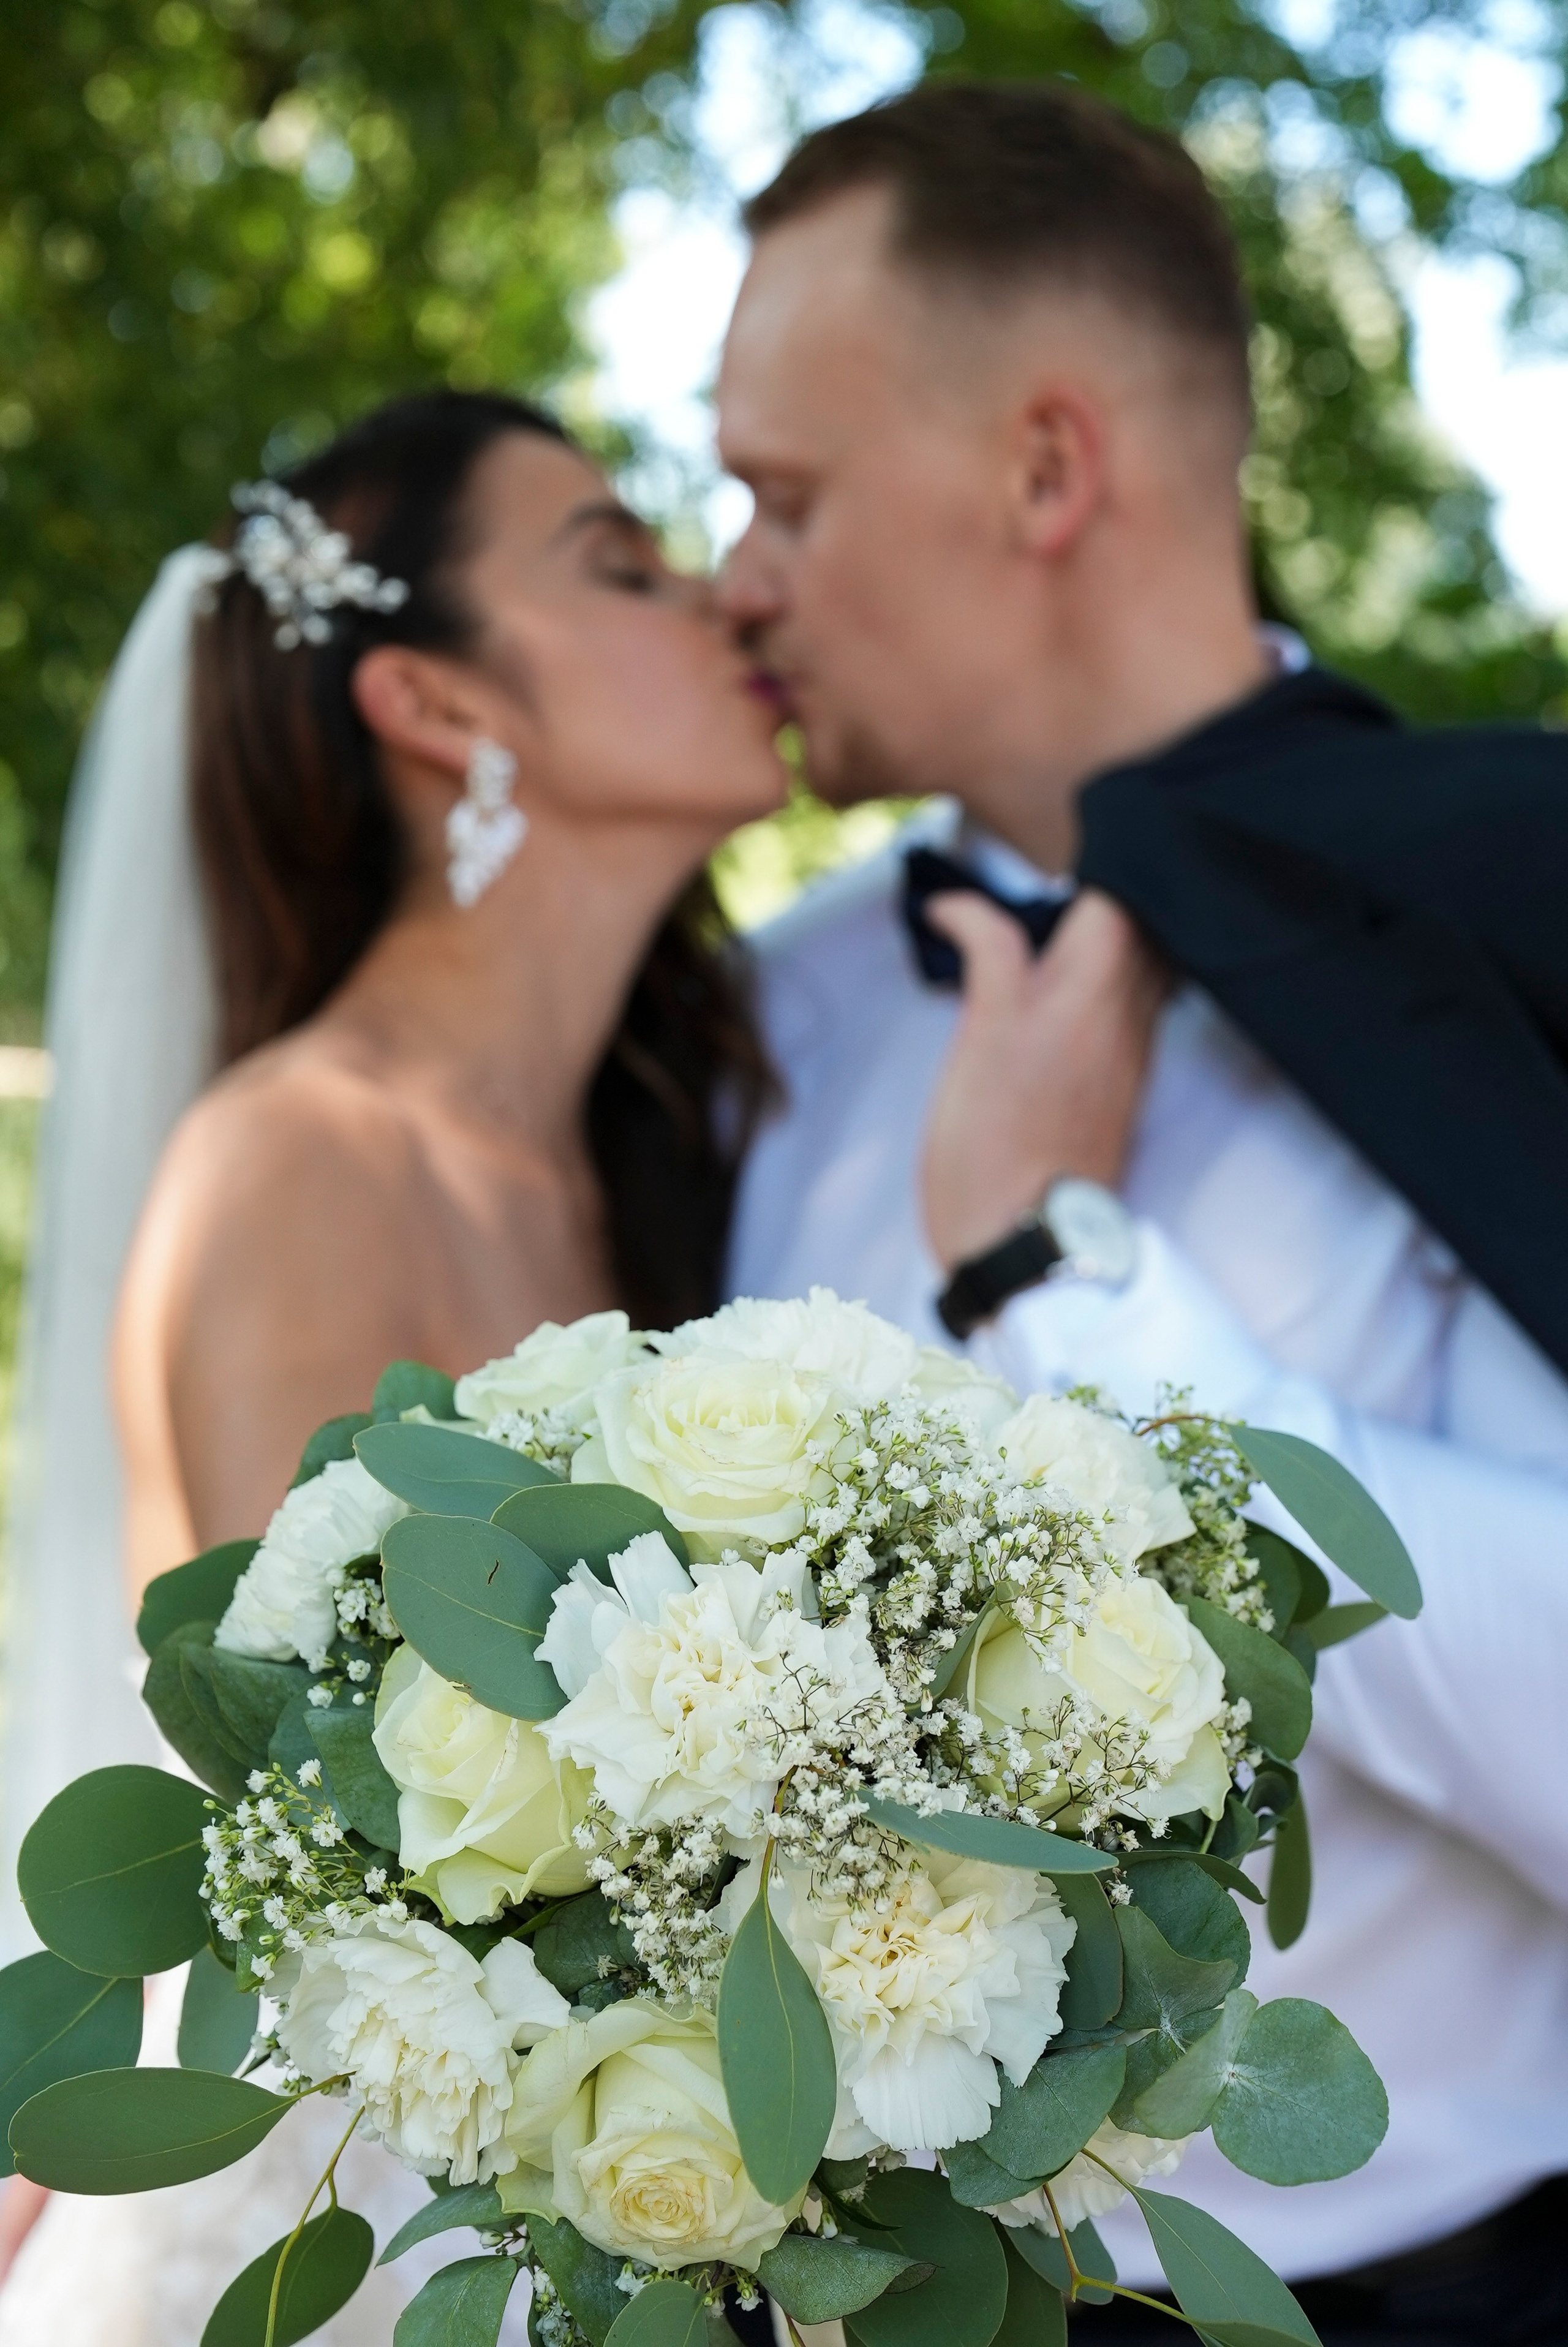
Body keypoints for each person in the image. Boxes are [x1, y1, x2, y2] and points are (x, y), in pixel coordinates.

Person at [716, 81, 1568, 2343]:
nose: (731, 577)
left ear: (1045, 467)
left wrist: (1057, 1284)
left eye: (779, 495)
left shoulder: (1516, 932)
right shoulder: (771, 1017)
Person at [0, 387, 785, 2341]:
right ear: (438, 706)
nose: (723, 598)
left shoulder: (645, 1164)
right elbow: (383, 1848)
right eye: (622, 562)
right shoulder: (301, 1166)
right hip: (348, 2258)